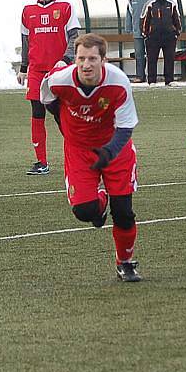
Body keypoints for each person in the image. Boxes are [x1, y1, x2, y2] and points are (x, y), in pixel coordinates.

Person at [40, 33, 142, 282]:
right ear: (75, 59)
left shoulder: (118, 82)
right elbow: (47, 99)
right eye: (81, 58)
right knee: (85, 212)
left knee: (124, 212)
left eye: (92, 59)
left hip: (114, 149)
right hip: (79, 150)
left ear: (103, 60)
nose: (86, 64)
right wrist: (65, 126)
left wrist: (109, 151)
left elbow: (126, 126)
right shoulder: (60, 80)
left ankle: (125, 262)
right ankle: (99, 201)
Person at [18, 0, 81, 175]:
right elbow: (25, 41)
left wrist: (65, 60)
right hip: (36, 71)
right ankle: (41, 162)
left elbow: (74, 36)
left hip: (59, 71)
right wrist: (24, 68)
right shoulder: (28, 11)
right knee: (37, 113)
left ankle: (77, 155)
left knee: (60, 114)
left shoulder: (65, 7)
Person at [141, 0, 182, 87]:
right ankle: (152, 81)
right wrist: (145, 34)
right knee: (152, 59)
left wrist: (177, 32)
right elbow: (145, 19)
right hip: (153, 37)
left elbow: (177, 19)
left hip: (169, 37)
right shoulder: (150, 4)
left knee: (169, 58)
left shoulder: (171, 4)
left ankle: (169, 80)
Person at [125, 0, 155, 83]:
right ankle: (140, 76)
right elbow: (129, 13)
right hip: (137, 33)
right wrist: (128, 28)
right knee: (139, 55)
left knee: (151, 54)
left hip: (151, 32)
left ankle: (152, 76)